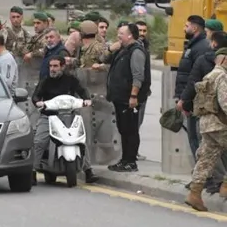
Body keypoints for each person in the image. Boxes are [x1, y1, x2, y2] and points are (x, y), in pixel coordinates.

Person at [32, 56, 95, 184]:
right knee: (39, 141)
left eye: (55, 66)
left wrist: (87, 99)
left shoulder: (71, 80)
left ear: (62, 66)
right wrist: (38, 102)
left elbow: (82, 91)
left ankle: (88, 171)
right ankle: (32, 171)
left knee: (80, 140)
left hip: (69, 116)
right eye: (50, 66)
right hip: (48, 116)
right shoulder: (45, 81)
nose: (52, 69)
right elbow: (36, 95)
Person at [96, 23, 150, 172]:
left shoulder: (136, 51)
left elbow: (138, 76)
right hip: (119, 97)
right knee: (123, 129)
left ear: (130, 35)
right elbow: (102, 59)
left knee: (130, 130)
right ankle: (124, 160)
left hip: (129, 98)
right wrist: (110, 49)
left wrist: (133, 96)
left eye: (121, 33)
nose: (118, 36)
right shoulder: (122, 49)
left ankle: (131, 162)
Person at [184, 47, 227, 211]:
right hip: (219, 123)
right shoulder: (222, 77)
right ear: (224, 60)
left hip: (206, 124)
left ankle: (194, 193)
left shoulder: (209, 76)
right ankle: (225, 186)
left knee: (206, 158)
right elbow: (225, 103)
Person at [174, 16, 209, 159]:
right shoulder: (194, 45)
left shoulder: (200, 47)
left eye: (186, 25)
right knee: (193, 138)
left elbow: (195, 78)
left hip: (195, 102)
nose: (184, 28)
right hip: (191, 100)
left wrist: (185, 100)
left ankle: (202, 171)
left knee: (196, 140)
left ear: (194, 28)